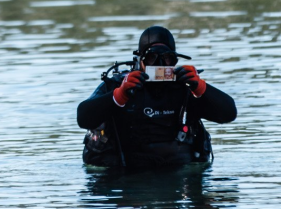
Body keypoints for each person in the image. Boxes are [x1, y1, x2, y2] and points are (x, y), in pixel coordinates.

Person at [78, 26, 236, 169]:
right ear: (140, 60)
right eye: (152, 58)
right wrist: (119, 95)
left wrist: (201, 87)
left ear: (174, 60)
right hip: (126, 176)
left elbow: (228, 114)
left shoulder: (186, 88)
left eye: (167, 58)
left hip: (179, 173)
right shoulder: (118, 86)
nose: (160, 64)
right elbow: (83, 118)